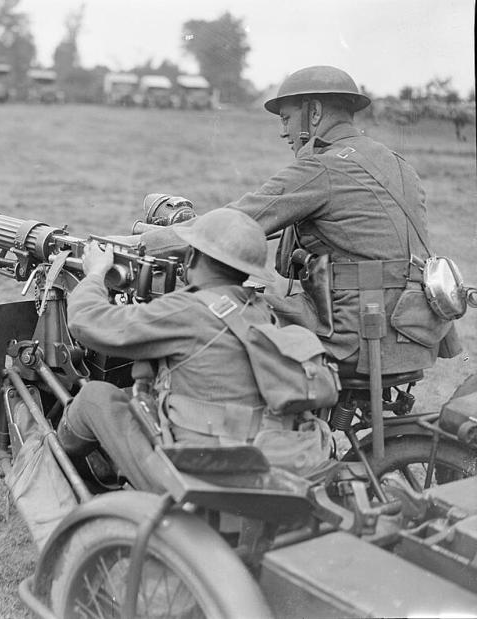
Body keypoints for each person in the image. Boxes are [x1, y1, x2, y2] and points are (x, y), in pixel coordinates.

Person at [138, 65, 459, 376]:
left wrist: (138, 243)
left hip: (355, 336)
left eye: (287, 118)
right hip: (414, 332)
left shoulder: (322, 168)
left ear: (314, 113)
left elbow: (228, 224)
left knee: (211, 309)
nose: (283, 131)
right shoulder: (399, 165)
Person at [57, 209, 330, 493]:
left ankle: (70, 482)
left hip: (195, 473)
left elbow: (86, 322)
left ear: (192, 257)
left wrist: (96, 273)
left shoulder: (186, 311)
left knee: (94, 397)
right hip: (257, 460)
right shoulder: (259, 310)